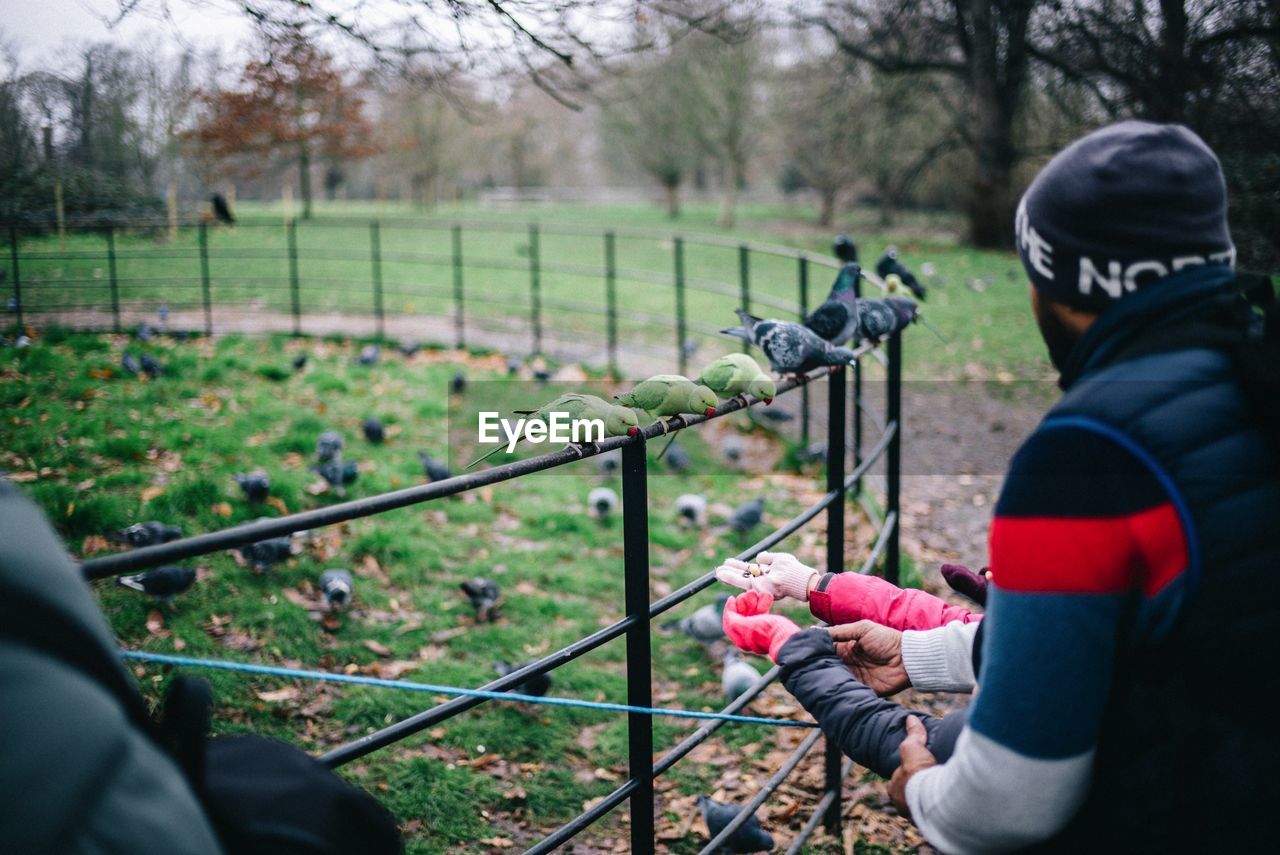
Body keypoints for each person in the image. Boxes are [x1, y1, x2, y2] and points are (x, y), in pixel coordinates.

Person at [719, 120, 1280, 852]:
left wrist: (920, 787)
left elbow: (1009, 798)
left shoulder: (1087, 455)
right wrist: (917, 655)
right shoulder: (1257, 388)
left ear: (1064, 283)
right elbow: (1157, 647)